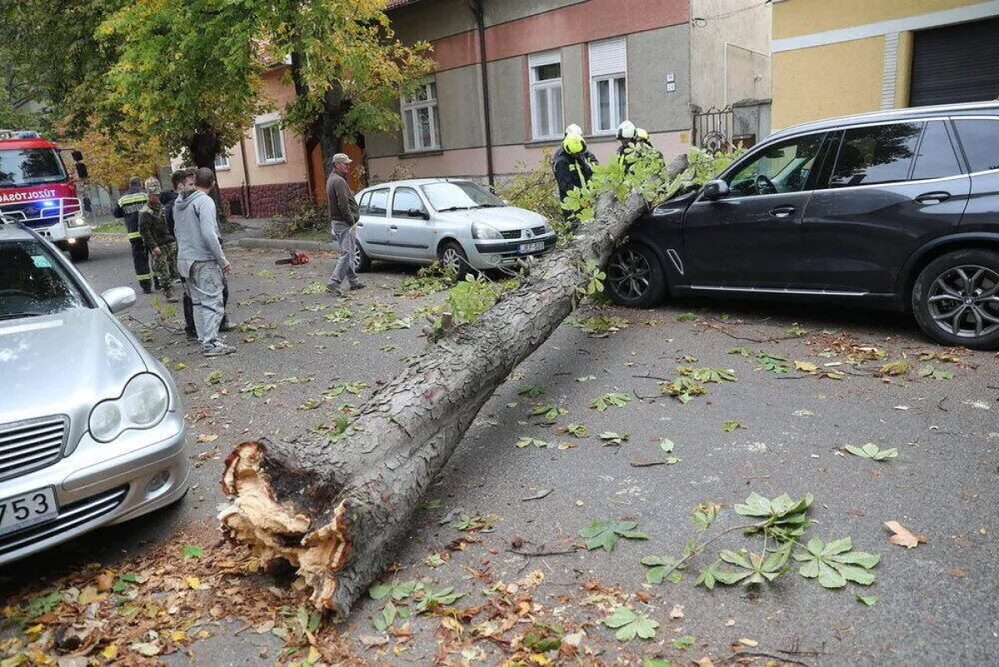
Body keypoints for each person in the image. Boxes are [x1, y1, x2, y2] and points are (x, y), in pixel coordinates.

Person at [174, 167, 235, 357]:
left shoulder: (179, 203)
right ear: (213, 184)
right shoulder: (204, 202)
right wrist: (222, 260)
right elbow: (209, 234)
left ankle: (204, 338)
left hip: (185, 259)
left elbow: (177, 230)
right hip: (203, 259)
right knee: (212, 300)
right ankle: (211, 343)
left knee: (198, 302)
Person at [325, 153, 365, 296]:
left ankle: (354, 281)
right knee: (347, 254)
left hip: (340, 222)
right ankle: (334, 283)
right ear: (337, 165)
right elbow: (343, 204)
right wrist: (350, 220)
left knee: (350, 252)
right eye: (345, 163)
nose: (348, 165)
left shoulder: (332, 179)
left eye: (348, 163)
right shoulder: (339, 181)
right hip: (344, 222)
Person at [137, 177, 178, 303]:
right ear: (149, 196)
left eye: (158, 195)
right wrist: (153, 246)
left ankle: (173, 281)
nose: (158, 197)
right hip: (158, 244)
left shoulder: (163, 208)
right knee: (163, 270)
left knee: (175, 266)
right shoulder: (146, 212)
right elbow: (144, 231)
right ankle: (168, 292)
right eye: (155, 195)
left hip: (169, 241)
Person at [113, 176, 152, 293]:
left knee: (139, 260)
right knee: (155, 257)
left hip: (134, 235)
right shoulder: (145, 196)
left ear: (130, 185)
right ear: (140, 184)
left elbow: (116, 213)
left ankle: (146, 286)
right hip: (148, 233)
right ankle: (159, 281)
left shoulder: (122, 200)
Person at [552, 133, 597, 227]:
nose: (578, 155)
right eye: (576, 153)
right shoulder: (562, 162)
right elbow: (565, 186)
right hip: (571, 205)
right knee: (576, 229)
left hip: (585, 200)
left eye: (579, 153)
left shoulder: (578, 155)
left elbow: (588, 173)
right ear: (569, 151)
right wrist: (582, 196)